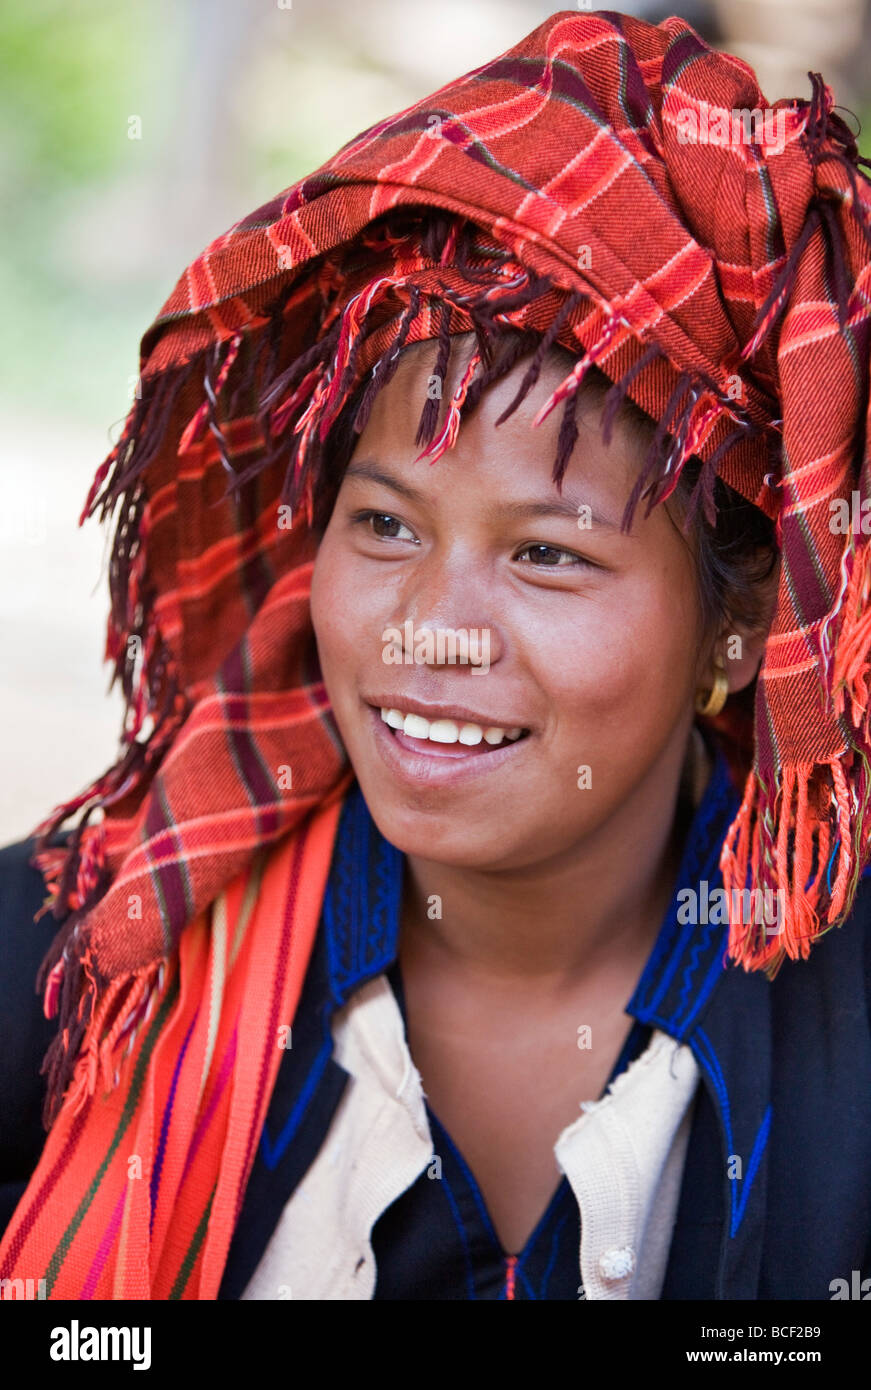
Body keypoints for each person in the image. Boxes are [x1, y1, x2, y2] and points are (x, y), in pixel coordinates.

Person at [2, 8, 871, 1301]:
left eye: (546, 554)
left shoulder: (845, 1035)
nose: (429, 625)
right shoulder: (75, 963)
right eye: (387, 522)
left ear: (739, 626)